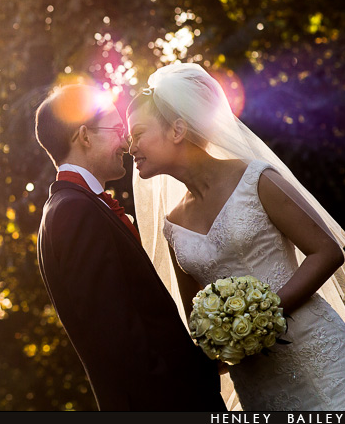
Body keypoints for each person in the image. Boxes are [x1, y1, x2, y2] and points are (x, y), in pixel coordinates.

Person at [127, 62, 345, 411]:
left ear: (178, 130)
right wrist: (220, 345)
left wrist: (265, 314)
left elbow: (327, 251)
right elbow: (196, 318)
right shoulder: (173, 225)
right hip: (257, 385)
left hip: (319, 357)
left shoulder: (256, 179)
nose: (131, 147)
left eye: (137, 133)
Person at [34, 83, 226, 411]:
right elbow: (118, 337)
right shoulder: (73, 211)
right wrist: (191, 383)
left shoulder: (74, 206)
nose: (125, 141)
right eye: (117, 129)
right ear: (85, 136)